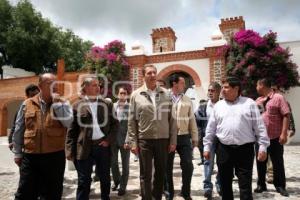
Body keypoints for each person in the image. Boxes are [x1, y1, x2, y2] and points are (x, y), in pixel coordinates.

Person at [203, 77, 269, 200]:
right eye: (222, 87)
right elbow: (210, 129)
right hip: (224, 150)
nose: (222, 90)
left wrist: (263, 147)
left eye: (226, 87)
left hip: (245, 150)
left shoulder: (249, 104)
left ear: (236, 89)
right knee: (225, 184)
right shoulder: (218, 106)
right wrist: (207, 146)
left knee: (245, 185)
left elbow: (259, 127)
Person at [13, 73, 73, 200]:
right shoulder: (27, 104)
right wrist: (18, 153)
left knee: (52, 193)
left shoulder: (63, 103)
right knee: (25, 192)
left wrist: (57, 105)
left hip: (54, 157)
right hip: (31, 157)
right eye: (50, 83)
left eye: (55, 83)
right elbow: (19, 130)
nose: (54, 86)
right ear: (40, 86)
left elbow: (68, 123)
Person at [126, 65, 177, 200]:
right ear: (144, 76)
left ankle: (157, 197)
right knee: (145, 174)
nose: (153, 75)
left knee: (160, 173)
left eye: (154, 72)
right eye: (149, 73)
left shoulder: (166, 94)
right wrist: (133, 142)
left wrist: (173, 141)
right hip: (145, 140)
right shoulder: (136, 95)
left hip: (163, 140)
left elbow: (172, 119)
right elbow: (131, 121)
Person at [65, 76, 118, 200]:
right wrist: (69, 150)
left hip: (102, 147)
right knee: (84, 181)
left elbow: (115, 125)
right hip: (84, 148)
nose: (98, 88)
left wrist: (108, 140)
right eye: (94, 85)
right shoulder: (77, 105)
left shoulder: (107, 104)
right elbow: (71, 130)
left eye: (98, 85)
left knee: (105, 178)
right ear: (86, 87)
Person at [255, 78, 290, 197]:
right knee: (260, 161)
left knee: (278, 162)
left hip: (275, 137)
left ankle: (280, 185)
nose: (256, 88)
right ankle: (261, 184)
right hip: (260, 139)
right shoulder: (258, 101)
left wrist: (284, 133)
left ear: (262, 85)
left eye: (257, 85)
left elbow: (286, 115)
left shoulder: (278, 98)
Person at [165, 74, 198, 200]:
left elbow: (192, 120)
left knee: (188, 165)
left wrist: (194, 137)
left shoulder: (187, 100)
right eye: (182, 83)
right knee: (167, 166)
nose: (184, 85)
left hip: (184, 136)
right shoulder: (164, 97)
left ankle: (185, 191)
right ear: (174, 84)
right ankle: (169, 192)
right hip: (168, 137)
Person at [195, 82, 222, 198]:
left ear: (219, 92)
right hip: (209, 140)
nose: (210, 93)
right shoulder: (203, 107)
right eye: (209, 90)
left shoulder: (224, 105)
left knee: (222, 163)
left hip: (221, 140)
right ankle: (207, 187)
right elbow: (198, 123)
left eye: (213, 91)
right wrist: (200, 139)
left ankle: (220, 184)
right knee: (208, 163)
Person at [266, 84, 296, 184]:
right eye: (272, 89)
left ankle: (273, 174)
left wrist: (292, 128)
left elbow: (288, 116)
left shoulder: (283, 101)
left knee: (276, 156)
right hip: (267, 133)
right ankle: (270, 174)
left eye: (275, 89)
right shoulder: (266, 101)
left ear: (278, 90)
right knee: (268, 155)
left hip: (279, 133)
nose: (273, 91)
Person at [111, 86, 130, 196]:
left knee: (125, 164)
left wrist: (128, 140)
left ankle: (123, 186)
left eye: (124, 93)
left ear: (127, 95)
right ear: (118, 94)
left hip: (125, 140)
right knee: (113, 163)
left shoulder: (131, 107)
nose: (122, 95)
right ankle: (117, 181)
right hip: (113, 140)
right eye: (121, 93)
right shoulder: (112, 106)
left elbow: (131, 126)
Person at [8, 84, 40, 151]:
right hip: (27, 145)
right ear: (27, 96)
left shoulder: (44, 106)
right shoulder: (23, 107)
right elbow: (16, 125)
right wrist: (11, 141)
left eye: (36, 95)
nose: (34, 97)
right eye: (32, 95)